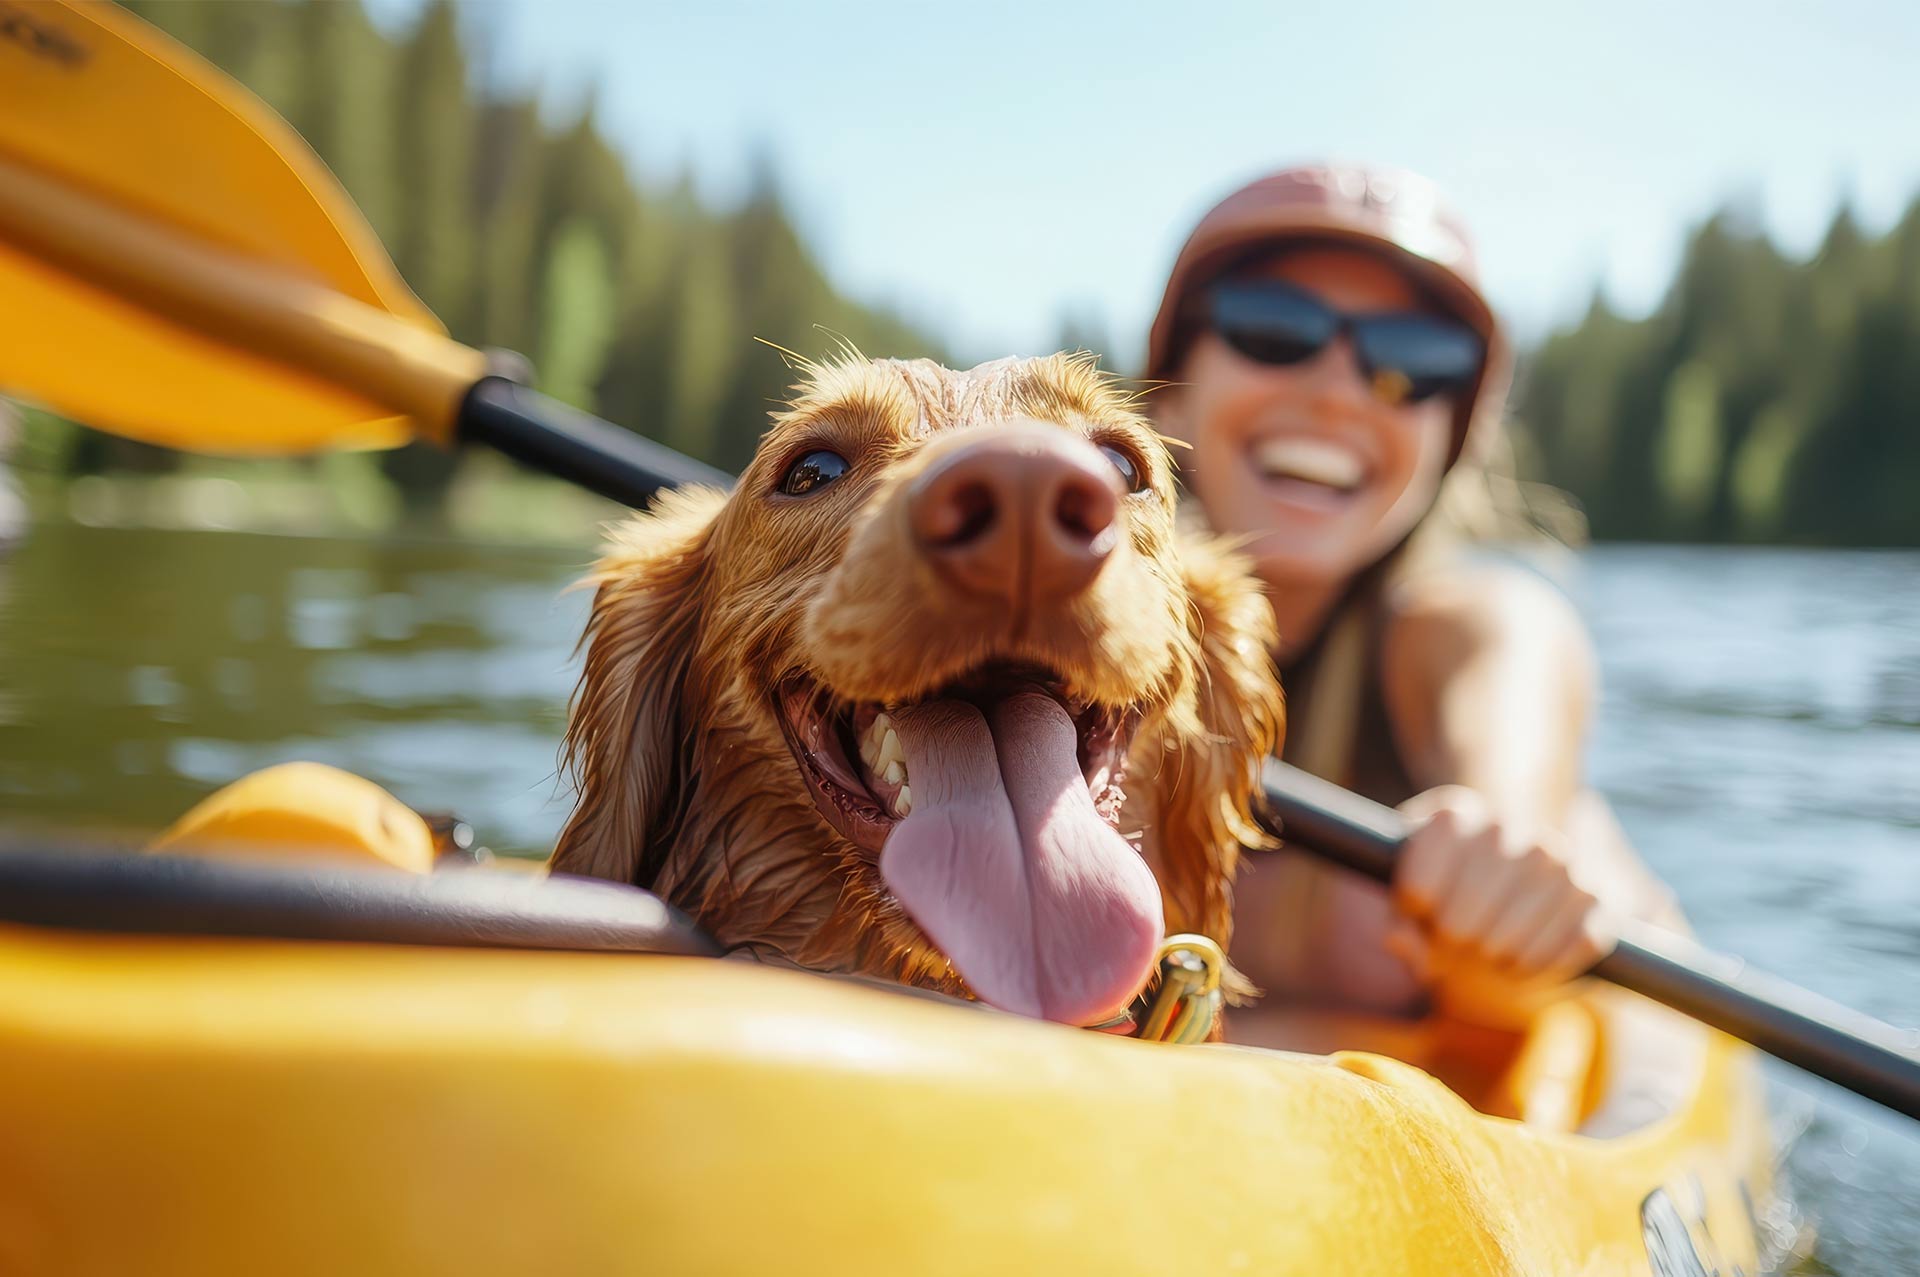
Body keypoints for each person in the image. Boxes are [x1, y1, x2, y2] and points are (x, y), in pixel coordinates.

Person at [1145, 164, 1684, 1032]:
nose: (1337, 389)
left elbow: (1513, 737)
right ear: (1170, 392)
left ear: (1447, 440)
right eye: (1273, 329)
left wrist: (1504, 854)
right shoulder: (1078, 639)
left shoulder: (1475, 630)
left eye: (1412, 361)